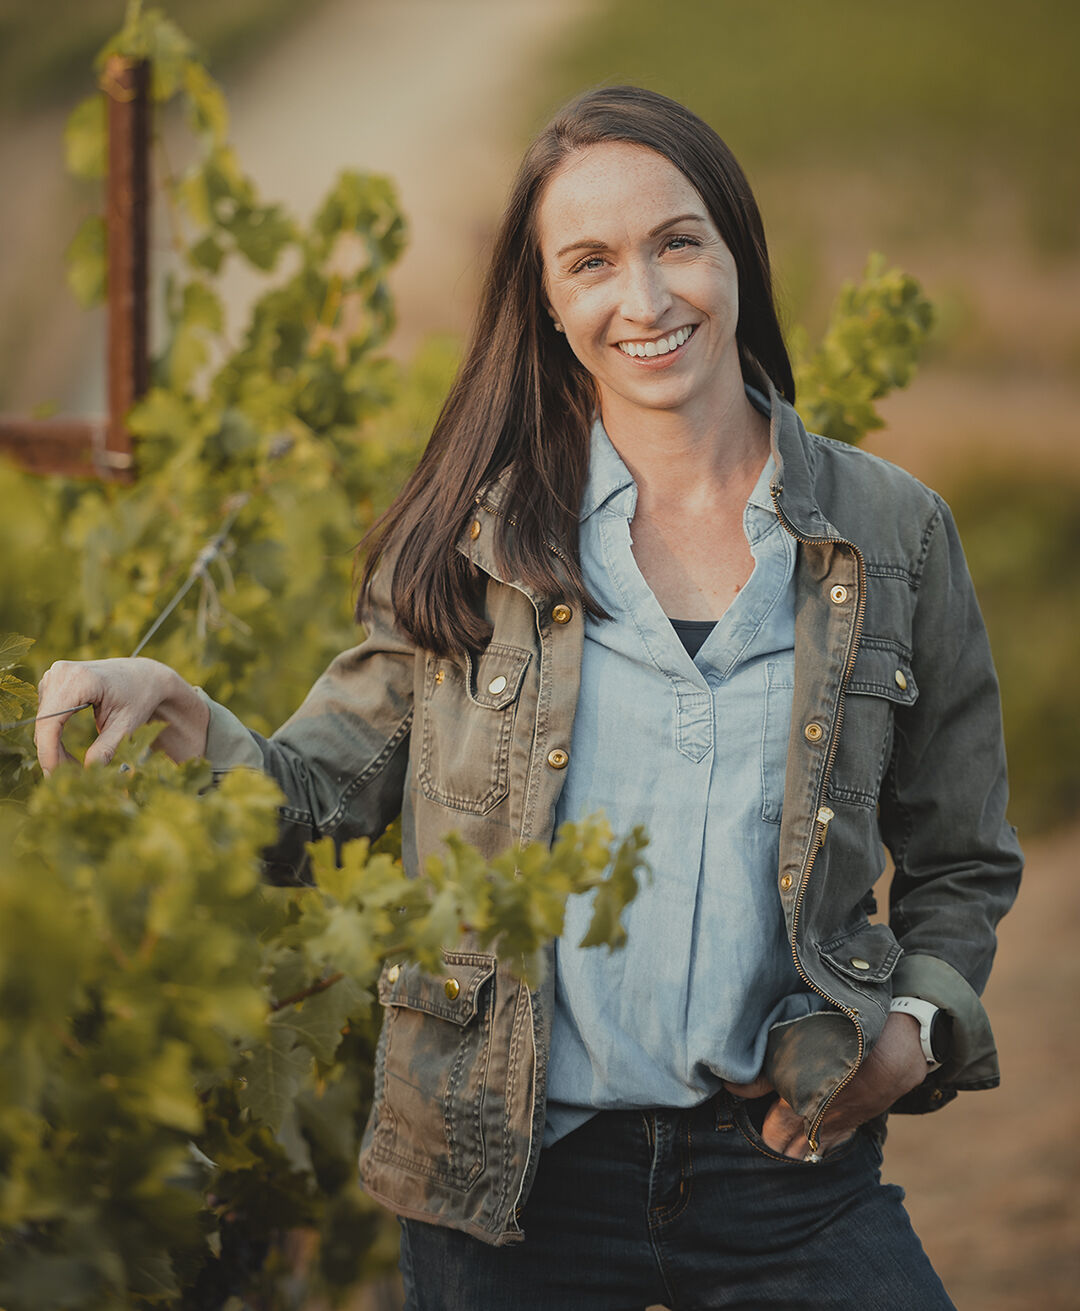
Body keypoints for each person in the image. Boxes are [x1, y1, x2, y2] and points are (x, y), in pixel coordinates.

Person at [37, 86, 1022, 1310]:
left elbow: (964, 854)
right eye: (593, 262)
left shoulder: (894, 532)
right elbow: (313, 802)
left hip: (788, 1166)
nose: (646, 301)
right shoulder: (473, 540)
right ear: (550, 304)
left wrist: (910, 1036)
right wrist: (182, 711)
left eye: (677, 243)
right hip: (509, 1183)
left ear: (735, 254)